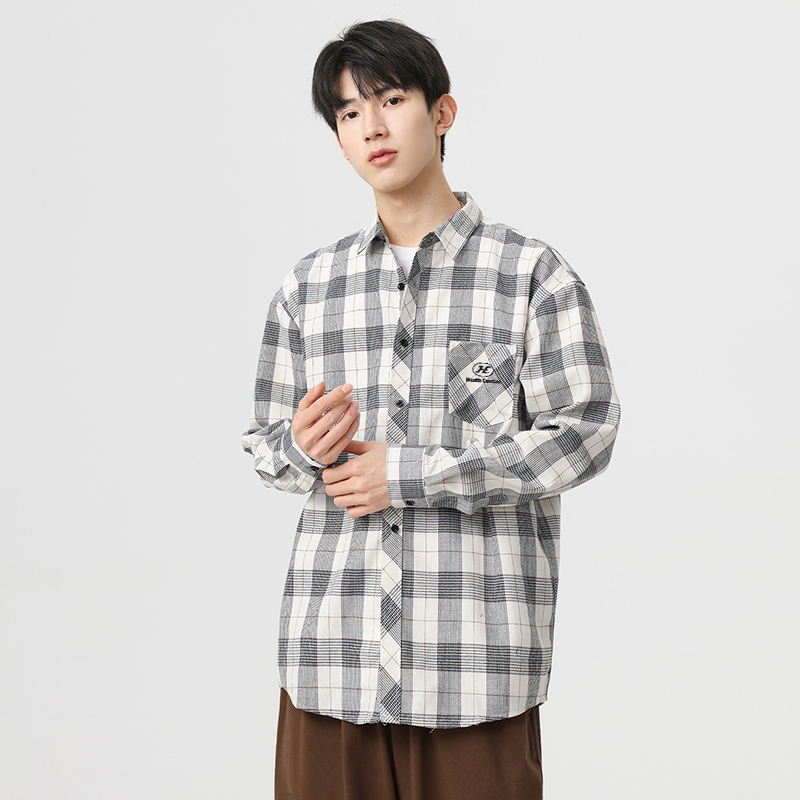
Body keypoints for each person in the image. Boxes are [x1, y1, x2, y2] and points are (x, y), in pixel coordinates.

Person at [241, 18, 620, 800]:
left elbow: (584, 436)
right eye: (349, 113)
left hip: (473, 674)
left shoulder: (531, 275)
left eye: (390, 100)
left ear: (441, 112)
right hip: (330, 665)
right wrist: (300, 447)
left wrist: (410, 474)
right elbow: (266, 448)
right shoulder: (309, 288)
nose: (371, 127)